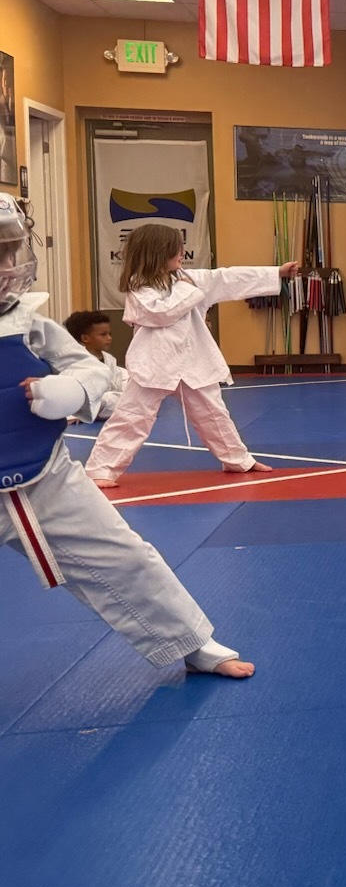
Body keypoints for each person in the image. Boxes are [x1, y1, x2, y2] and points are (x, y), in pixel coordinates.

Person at [0, 196, 252, 678]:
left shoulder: (25, 321)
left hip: (45, 476)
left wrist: (69, 389)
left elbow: (83, 366)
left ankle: (191, 642)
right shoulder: (150, 291)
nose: (7, 266)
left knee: (126, 556)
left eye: (9, 252)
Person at [83, 226, 295, 488]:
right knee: (132, 417)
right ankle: (101, 468)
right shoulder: (139, 288)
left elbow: (228, 279)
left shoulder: (191, 279)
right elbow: (161, 313)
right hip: (155, 364)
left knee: (214, 414)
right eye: (176, 248)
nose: (182, 253)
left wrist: (276, 273)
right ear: (159, 253)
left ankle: (237, 459)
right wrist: (189, 290)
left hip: (194, 361)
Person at [61, 309, 126, 420]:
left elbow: (121, 388)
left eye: (109, 334)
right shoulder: (73, 363)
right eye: (103, 335)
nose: (109, 338)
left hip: (108, 413)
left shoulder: (110, 360)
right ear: (85, 338)